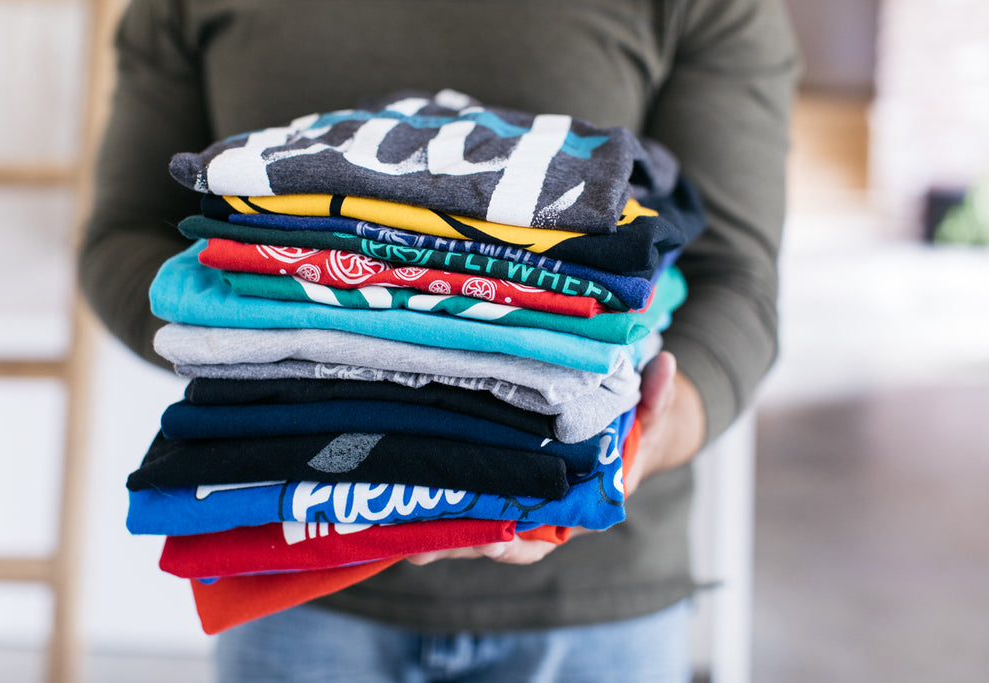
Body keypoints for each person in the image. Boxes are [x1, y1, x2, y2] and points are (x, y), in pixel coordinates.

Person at [79, 1, 798, 680]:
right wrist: (259, 342)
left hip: (590, 612)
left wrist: (643, 435)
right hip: (293, 578)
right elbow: (122, 235)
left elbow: (736, 277)